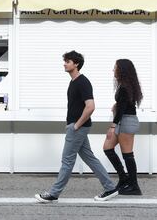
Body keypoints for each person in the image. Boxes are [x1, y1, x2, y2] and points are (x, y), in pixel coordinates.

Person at [35, 50, 118, 203]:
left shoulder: (82, 82)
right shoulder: (73, 82)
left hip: (78, 128)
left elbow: (91, 106)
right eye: (65, 61)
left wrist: (76, 125)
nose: (64, 63)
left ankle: (54, 193)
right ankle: (110, 187)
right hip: (78, 127)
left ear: (76, 64)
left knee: (67, 161)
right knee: (90, 158)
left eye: (68, 61)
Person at [103, 59, 143, 195]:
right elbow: (122, 105)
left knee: (127, 155)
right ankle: (124, 178)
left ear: (122, 70)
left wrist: (112, 127)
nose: (113, 70)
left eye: (115, 68)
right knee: (107, 148)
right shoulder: (124, 85)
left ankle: (134, 186)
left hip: (126, 122)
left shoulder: (125, 87)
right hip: (123, 121)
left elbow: (123, 109)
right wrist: (117, 105)